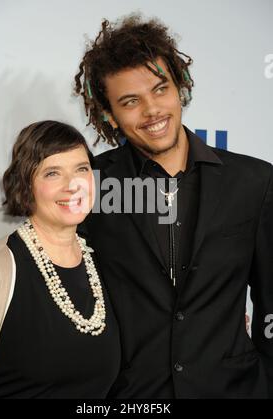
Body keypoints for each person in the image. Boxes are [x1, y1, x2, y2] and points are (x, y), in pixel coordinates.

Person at [74, 14, 273, 398]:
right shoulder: (91, 186)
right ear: (108, 114)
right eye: (130, 101)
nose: (152, 111)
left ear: (179, 88)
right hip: (132, 398)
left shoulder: (253, 182)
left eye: (160, 90)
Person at [0, 120, 120, 398]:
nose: (72, 185)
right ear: (26, 184)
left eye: (81, 169)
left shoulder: (103, 263)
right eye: (53, 173)